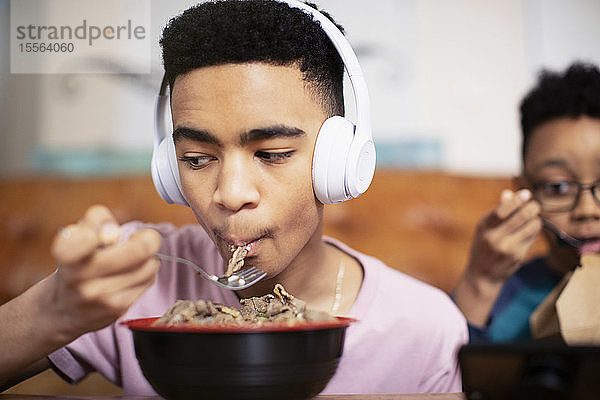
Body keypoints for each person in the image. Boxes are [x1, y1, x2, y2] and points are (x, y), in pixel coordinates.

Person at [0, 0, 467, 395]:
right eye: (197, 159)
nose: (230, 194)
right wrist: (51, 312)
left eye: (272, 153)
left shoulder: (423, 329)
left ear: (338, 161)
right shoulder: (128, 276)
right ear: (169, 168)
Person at [452, 61, 600, 343]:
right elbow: (448, 374)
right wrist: (480, 282)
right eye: (558, 186)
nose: (587, 210)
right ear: (524, 194)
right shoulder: (505, 299)